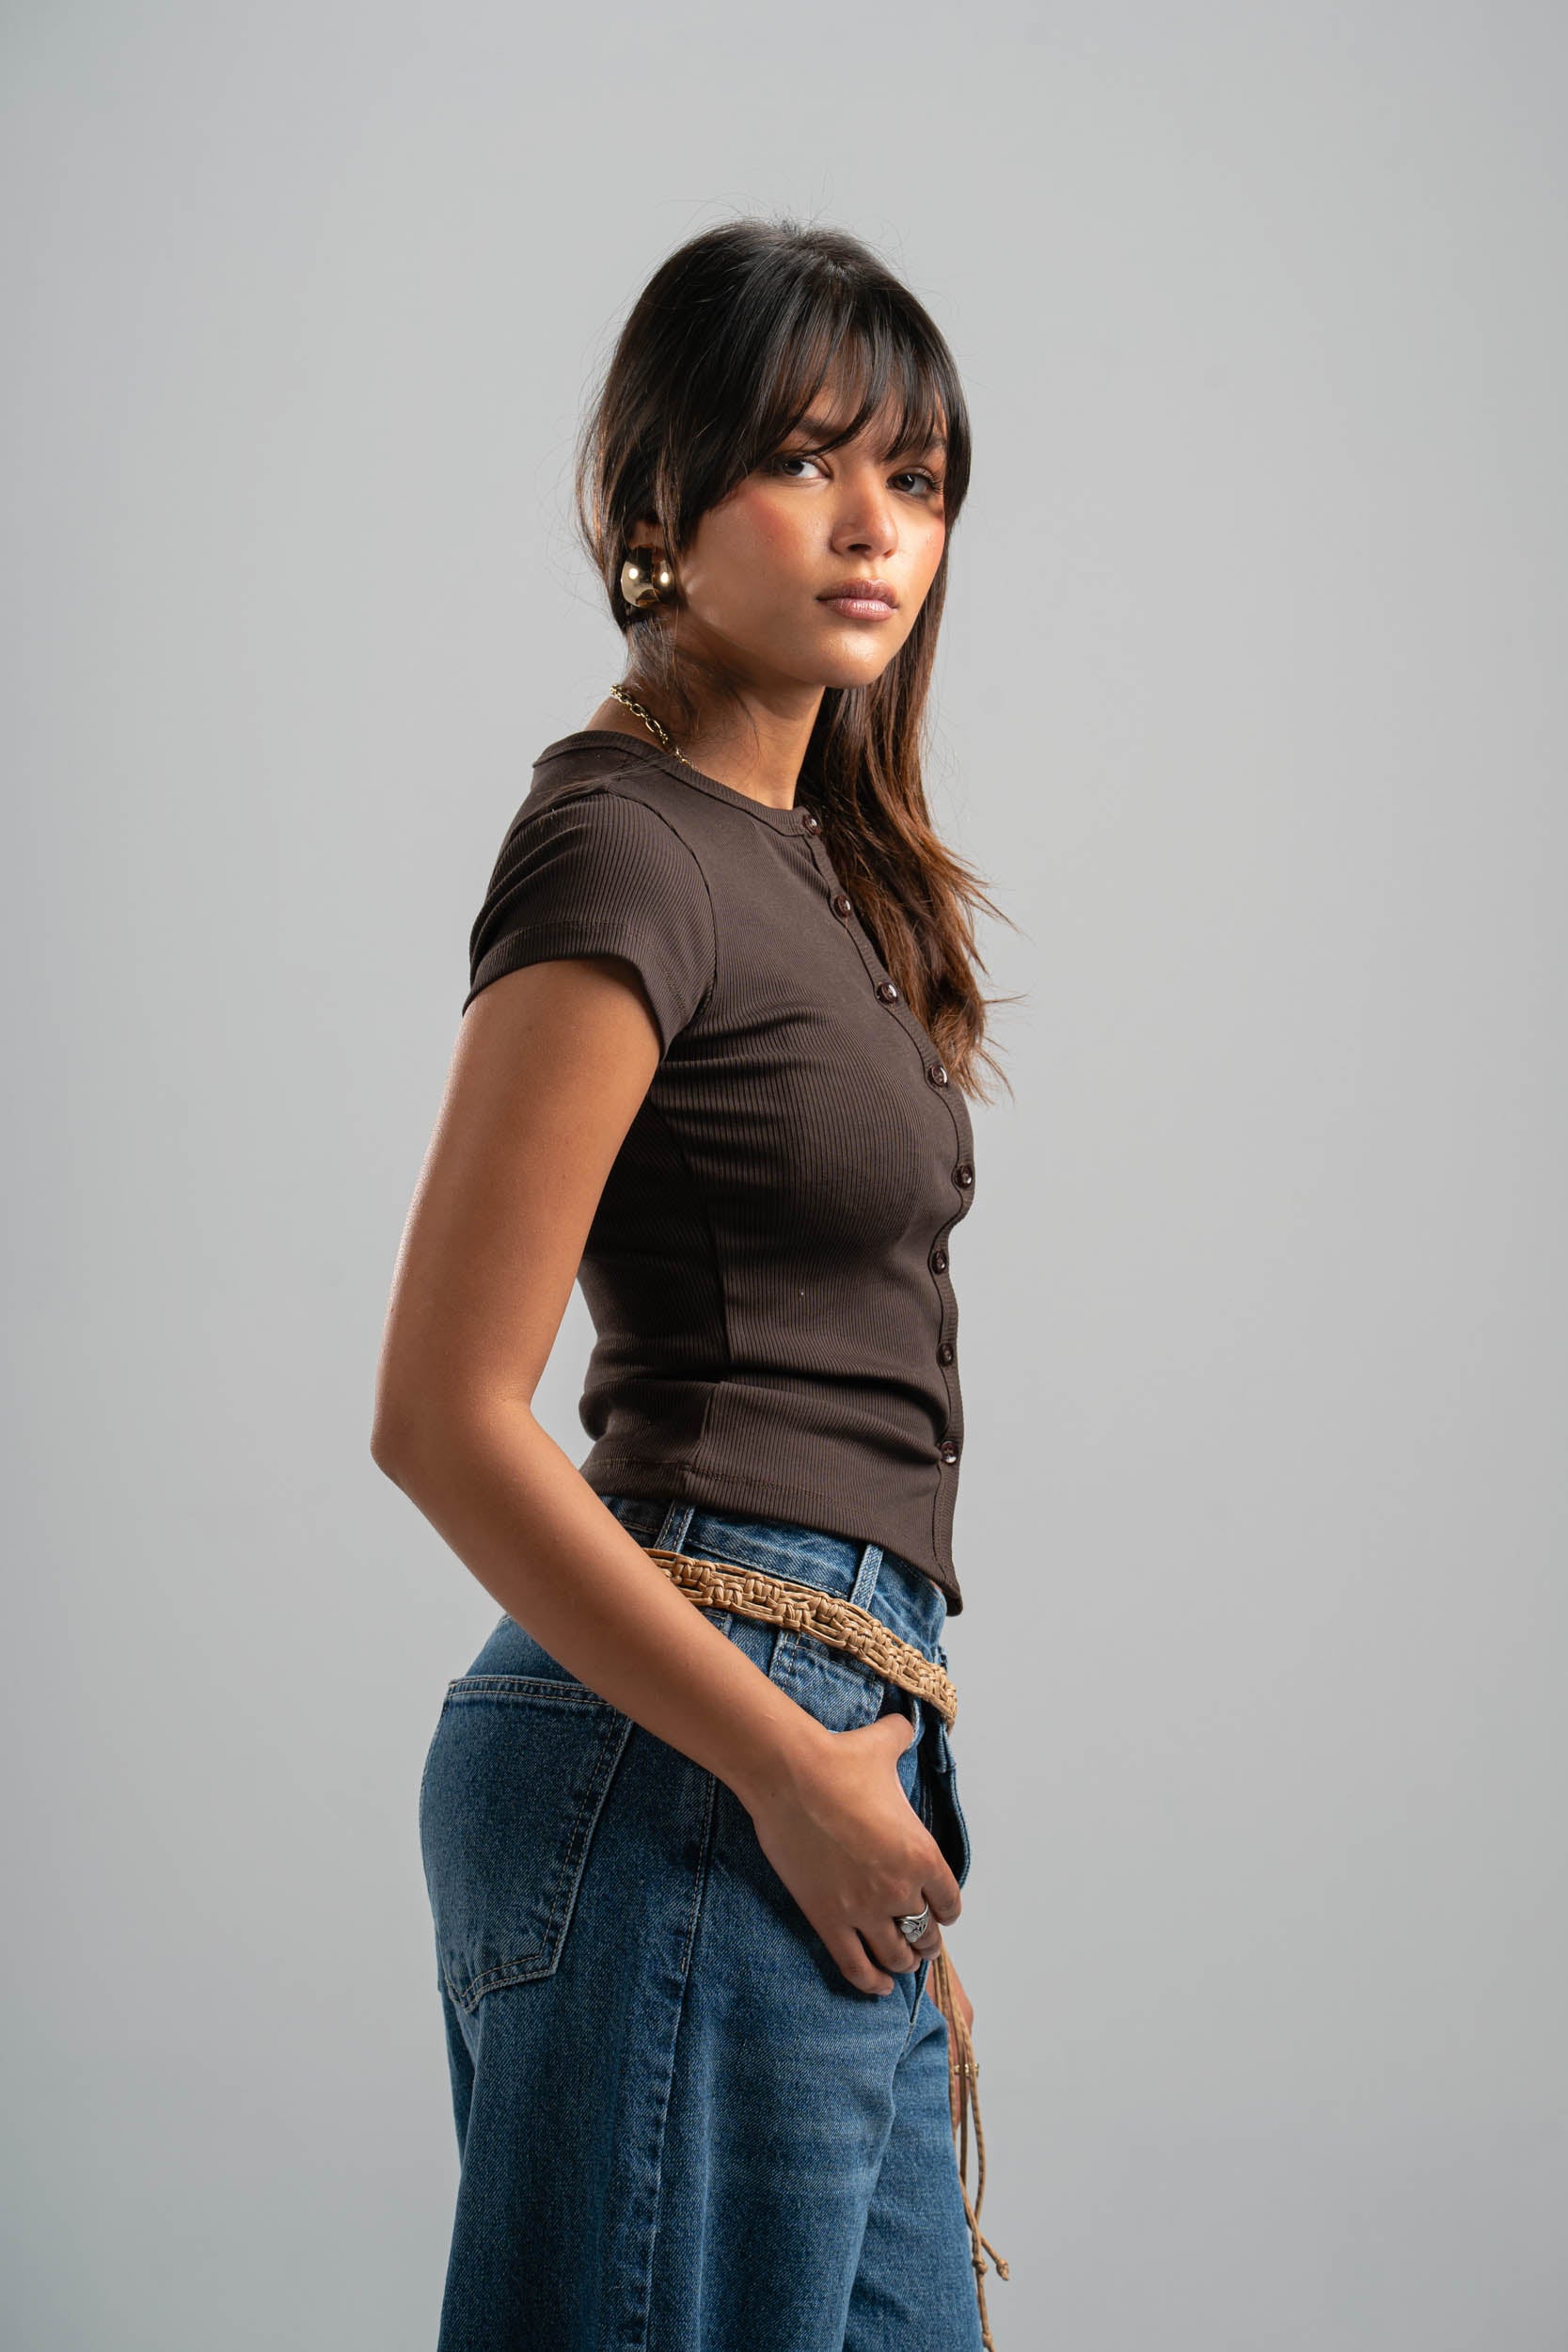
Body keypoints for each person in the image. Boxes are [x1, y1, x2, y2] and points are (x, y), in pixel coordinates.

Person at [372, 216, 1013, 2350]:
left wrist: (848, 1778)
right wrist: (784, 1770)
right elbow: (442, 1414)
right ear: (657, 504)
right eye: (806, 461)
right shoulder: (624, 844)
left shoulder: (809, 864)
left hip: (808, 1746)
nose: (873, 525)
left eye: (917, 477)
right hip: (698, 1744)